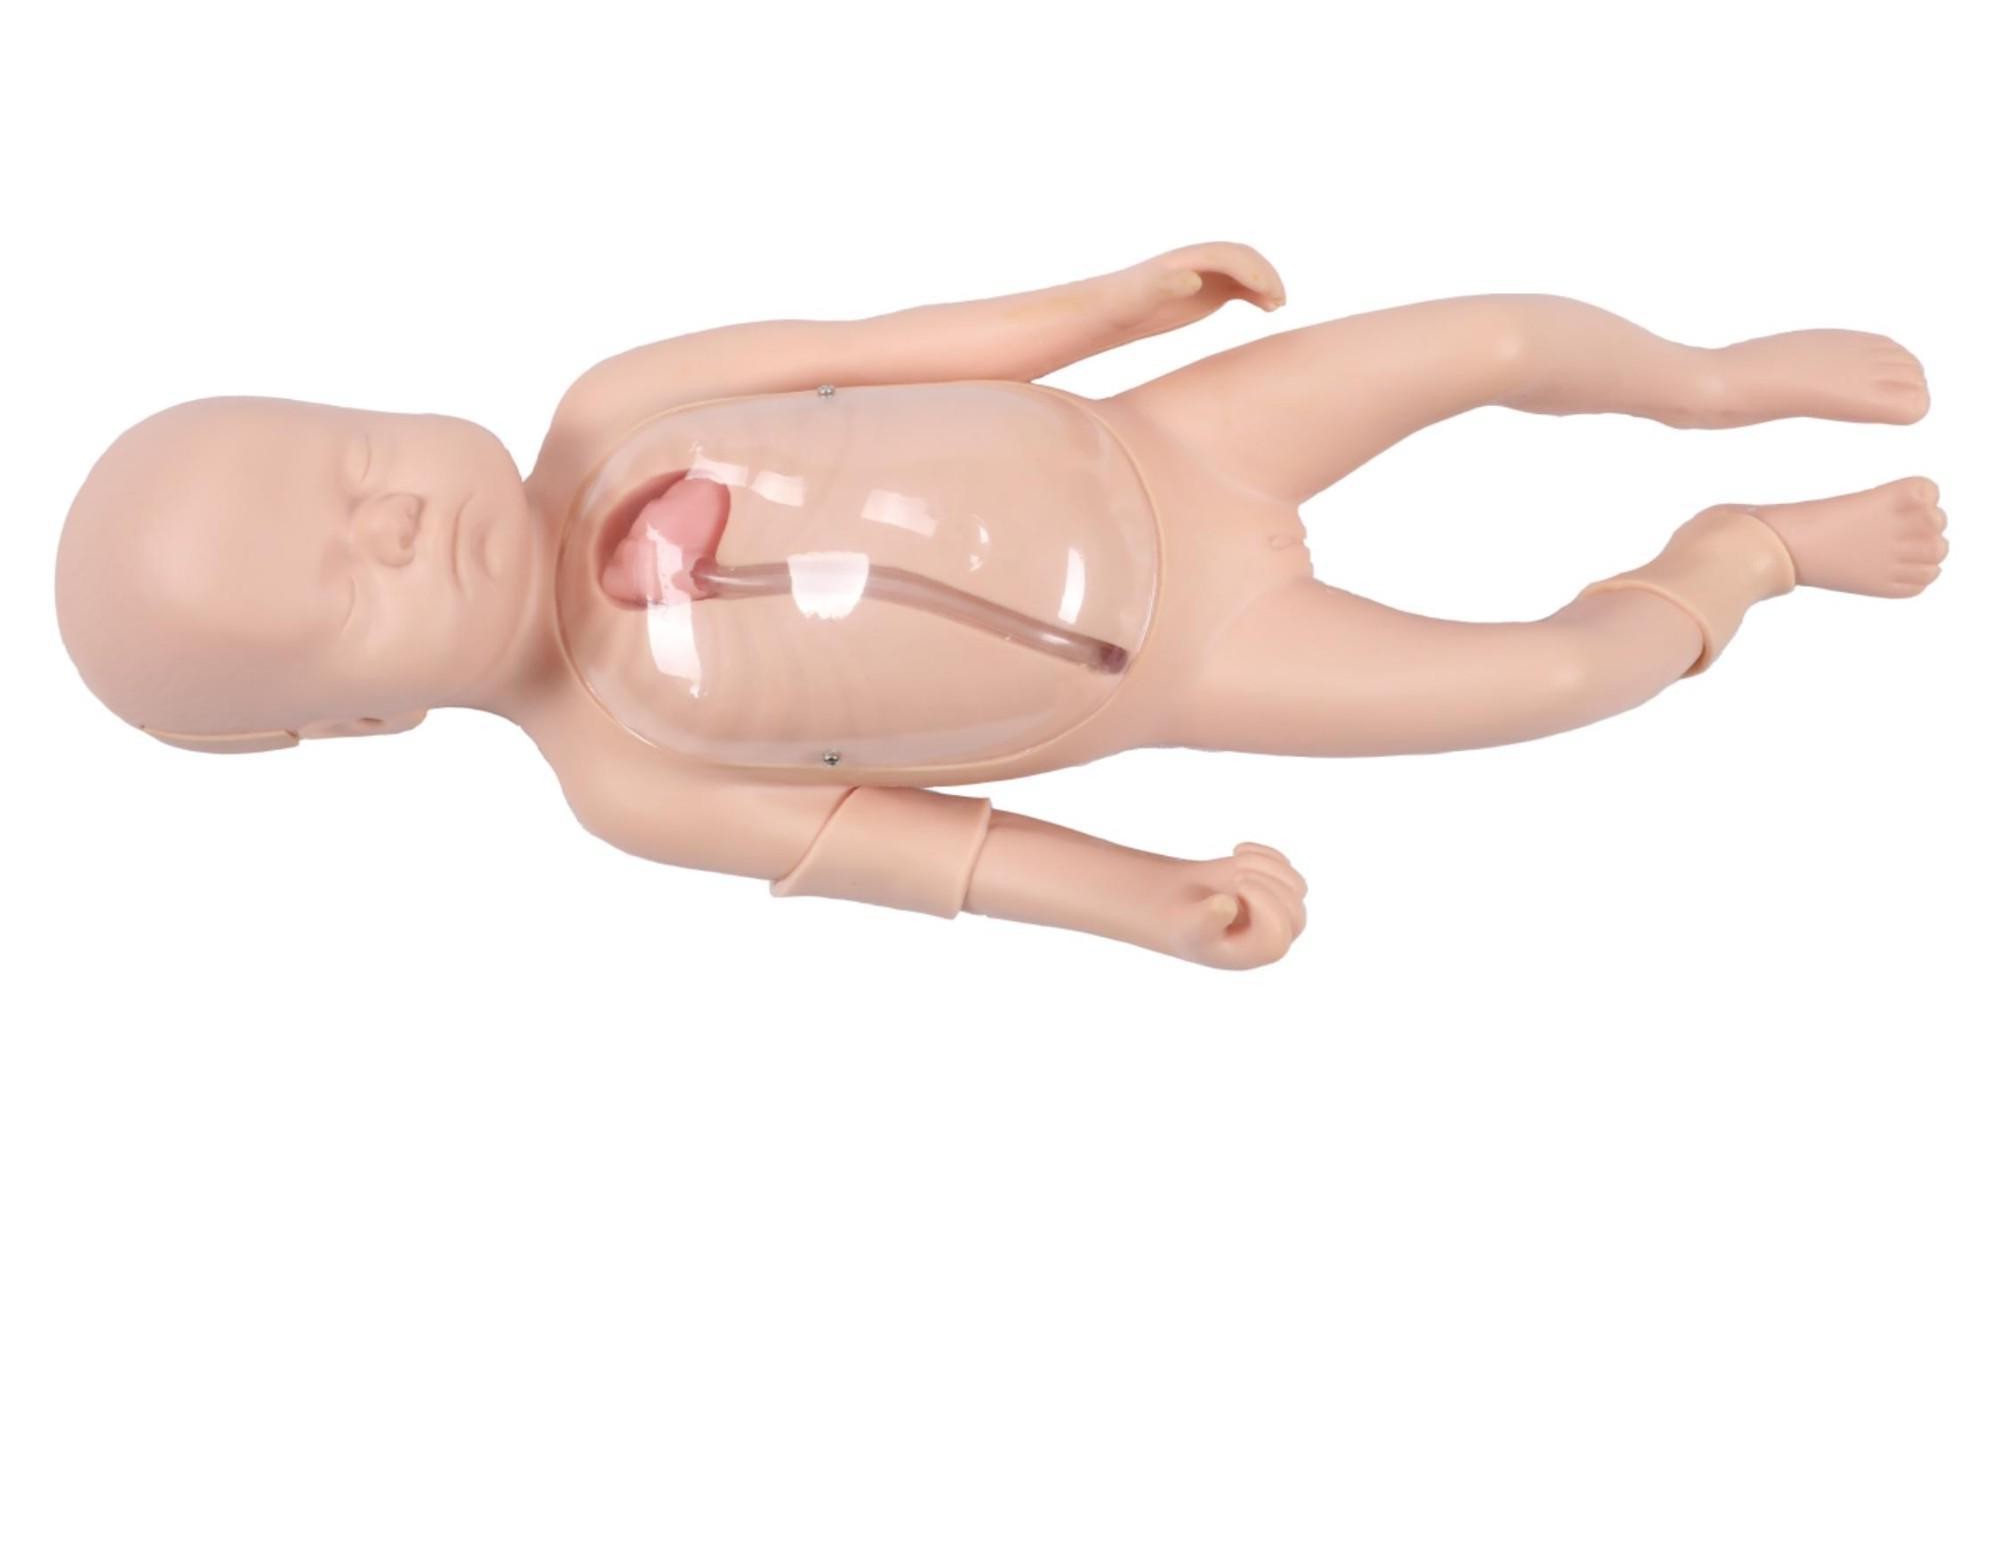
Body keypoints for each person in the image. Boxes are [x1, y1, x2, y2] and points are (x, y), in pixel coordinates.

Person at [56, 247, 1946, 969]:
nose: (398, 521)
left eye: (350, 463)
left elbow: (888, 346)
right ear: (362, 723)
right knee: (1548, 679)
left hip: (1164, 445)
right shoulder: (627, 781)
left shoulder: (618, 401)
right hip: (1201, 667)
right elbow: (932, 849)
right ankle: (1744, 558)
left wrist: (1104, 310)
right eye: (342, 581)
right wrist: (1144, 900)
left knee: (1501, 335)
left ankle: (1706, 378)